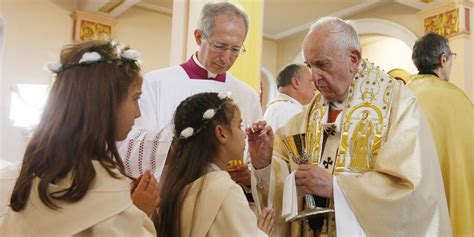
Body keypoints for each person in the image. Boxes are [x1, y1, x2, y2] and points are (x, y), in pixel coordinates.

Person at [249, 17, 451, 236]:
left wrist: (336, 188)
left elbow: (410, 189)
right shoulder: (310, 113)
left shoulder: (396, 104)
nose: (315, 77)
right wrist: (264, 162)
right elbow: (285, 172)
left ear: (353, 59)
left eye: (322, 65)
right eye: (309, 66)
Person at [0, 39, 158, 236]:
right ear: (104, 104)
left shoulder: (35, 170)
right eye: (135, 98)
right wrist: (139, 213)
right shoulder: (103, 188)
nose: (138, 113)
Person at [120, 2, 261, 187]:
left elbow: (251, 156)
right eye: (219, 46)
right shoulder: (156, 83)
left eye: (235, 49)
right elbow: (130, 145)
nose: (226, 58)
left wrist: (248, 175)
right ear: (198, 36)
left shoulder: (247, 95)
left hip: (225, 196)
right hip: (169, 195)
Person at [154, 92, 273, 236]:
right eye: (239, 125)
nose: (244, 135)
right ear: (221, 133)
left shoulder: (174, 187)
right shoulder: (224, 190)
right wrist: (262, 233)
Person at [408, 32, 473, 236]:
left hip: (415, 202)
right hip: (453, 195)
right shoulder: (456, 99)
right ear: (442, 60)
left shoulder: (403, 96)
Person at [263, 64, 316, 131]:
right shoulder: (291, 110)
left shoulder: (275, 107)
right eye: (310, 81)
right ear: (296, 82)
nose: (315, 88)